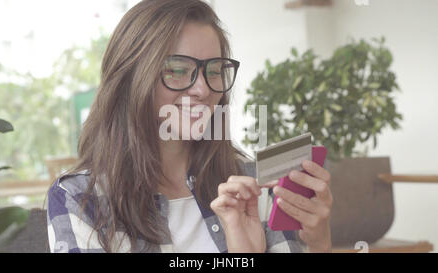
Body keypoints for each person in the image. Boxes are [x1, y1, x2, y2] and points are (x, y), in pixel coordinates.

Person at [46, 0, 333, 253]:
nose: (202, 89)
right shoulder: (82, 199)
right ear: (130, 79)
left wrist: (319, 244)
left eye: (214, 71)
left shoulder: (258, 186)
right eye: (178, 70)